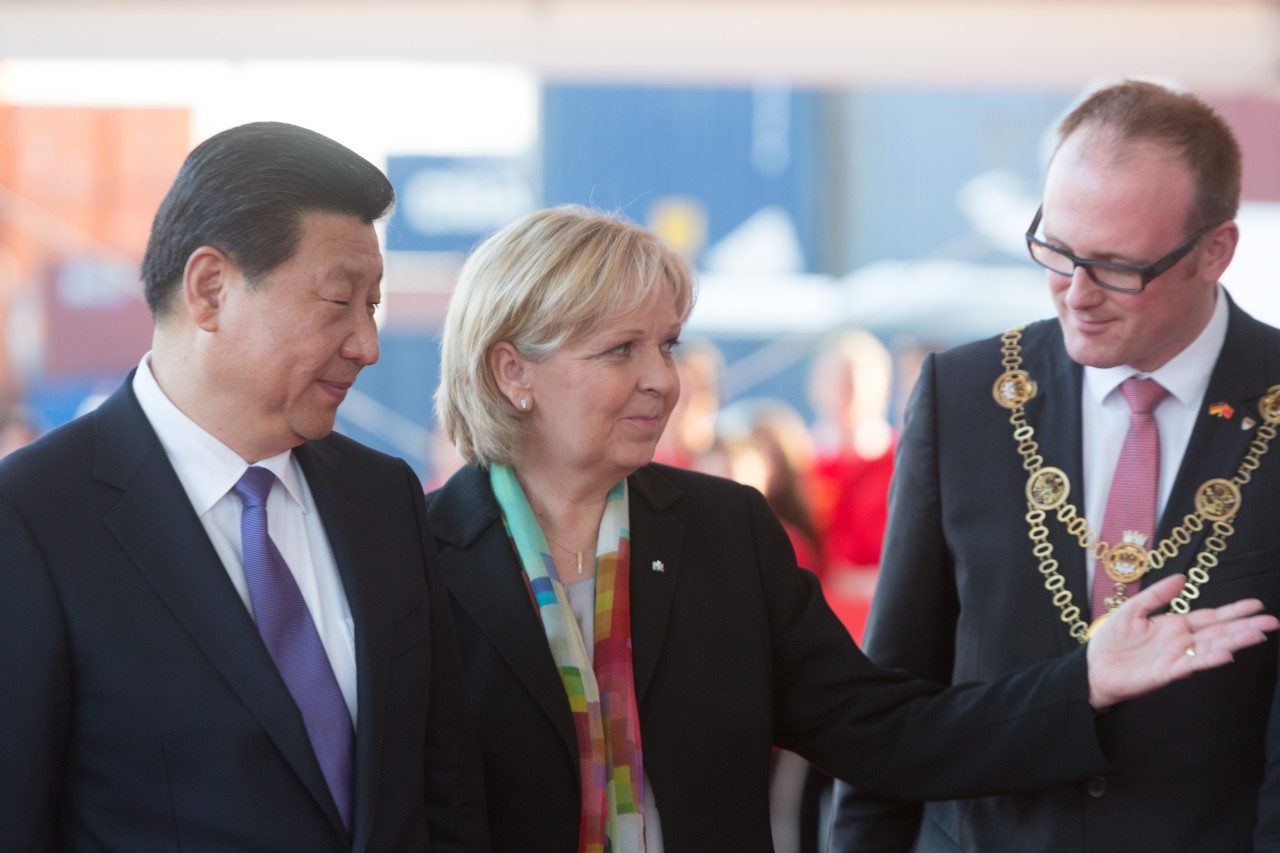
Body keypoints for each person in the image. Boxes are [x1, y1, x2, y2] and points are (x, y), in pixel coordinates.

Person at [426, 203, 1276, 853]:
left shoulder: (723, 532)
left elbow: (886, 733)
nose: (662, 380)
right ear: (514, 371)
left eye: (670, 344)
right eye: (621, 351)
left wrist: (1082, 678)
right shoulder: (415, 555)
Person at [0, 122, 488, 851]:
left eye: (373, 305)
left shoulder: (383, 498)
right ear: (210, 289)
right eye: (337, 300)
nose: (367, 344)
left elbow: (443, 784)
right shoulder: (33, 517)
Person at [830, 80, 1280, 853]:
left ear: (1216, 250)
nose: (1077, 294)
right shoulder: (965, 394)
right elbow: (893, 703)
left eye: (1115, 266)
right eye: (1056, 249)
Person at [805, 328, 896, 642]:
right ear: (815, 388)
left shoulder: (905, 462)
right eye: (837, 381)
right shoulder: (800, 465)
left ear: (883, 388)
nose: (847, 392)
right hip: (818, 631)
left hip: (885, 625)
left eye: (857, 380)